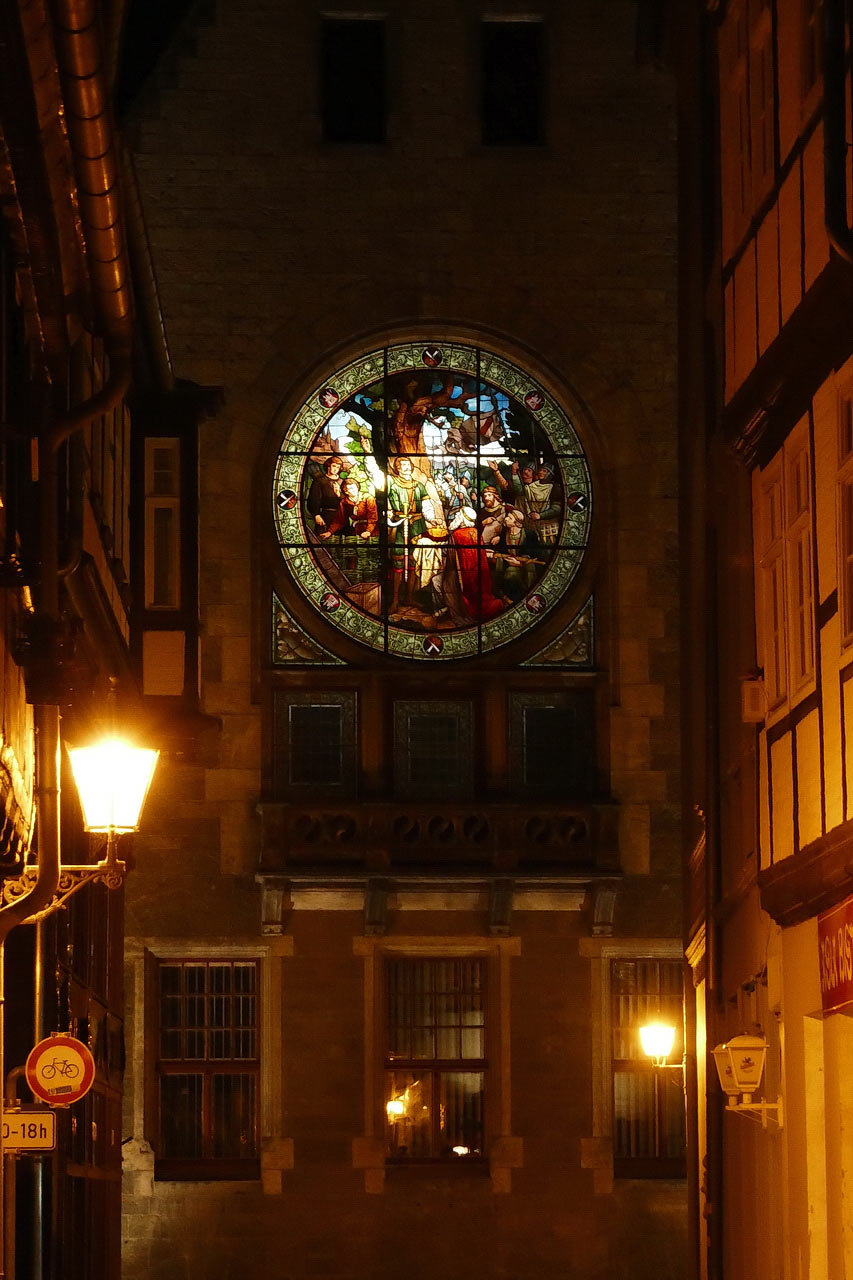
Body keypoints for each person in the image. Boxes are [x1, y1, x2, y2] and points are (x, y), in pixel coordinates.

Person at [306, 456, 346, 531]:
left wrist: (339, 494)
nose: (335, 469)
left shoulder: (343, 482)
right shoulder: (319, 481)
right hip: (325, 516)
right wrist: (316, 515)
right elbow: (313, 500)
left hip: (341, 516)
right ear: (328, 466)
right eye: (334, 466)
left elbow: (348, 499)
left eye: (338, 467)